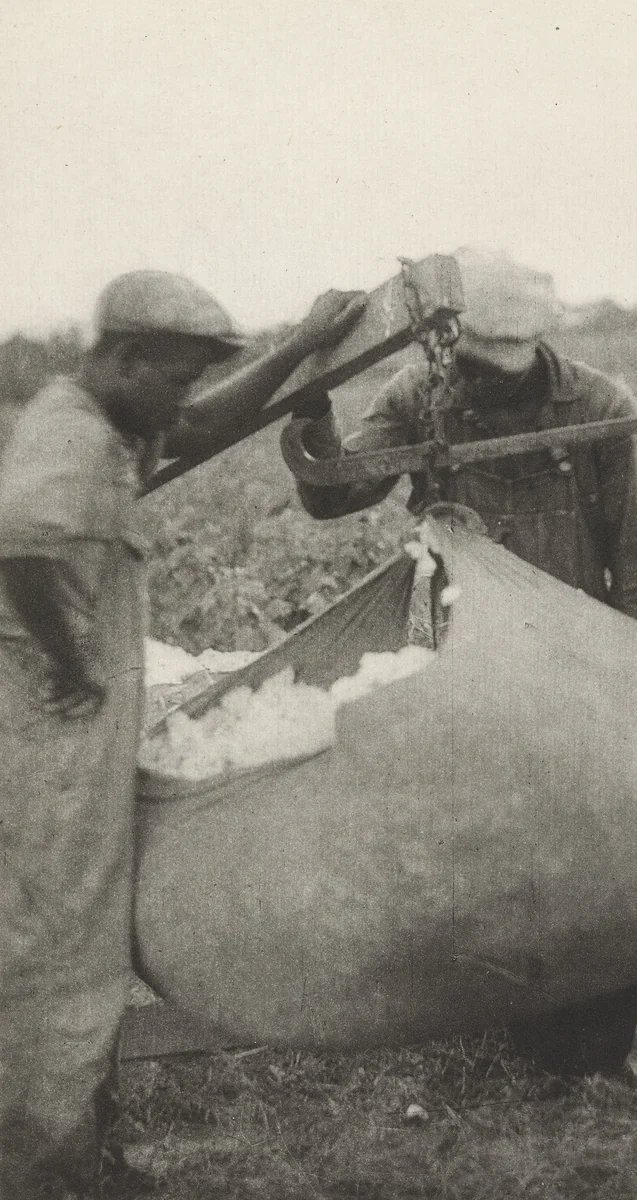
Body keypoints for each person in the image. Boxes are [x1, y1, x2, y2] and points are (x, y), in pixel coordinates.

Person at [0, 270, 363, 1199]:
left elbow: (199, 426)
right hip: (42, 740)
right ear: (122, 358)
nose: (181, 399)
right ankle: (48, 1175)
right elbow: (23, 542)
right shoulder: (68, 434)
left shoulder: (109, 424)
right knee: (55, 956)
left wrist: (298, 348)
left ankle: (79, 1152)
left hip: (64, 734)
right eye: (173, 376)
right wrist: (73, 663)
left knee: (74, 950)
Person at [286, 246, 637, 1077]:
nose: (480, 381)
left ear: (534, 345)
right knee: (500, 858)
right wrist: (311, 405)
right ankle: (528, 1044)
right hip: (468, 670)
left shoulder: (601, 405)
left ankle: (603, 1051)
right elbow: (333, 491)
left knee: (602, 862)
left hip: (580, 669)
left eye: (499, 366)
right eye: (467, 363)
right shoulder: (420, 397)